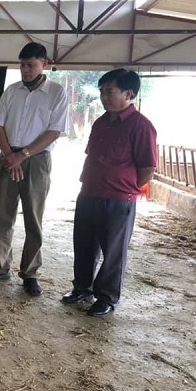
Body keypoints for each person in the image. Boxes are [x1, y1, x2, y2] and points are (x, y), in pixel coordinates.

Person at [62, 68, 157, 317]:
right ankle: (82, 287)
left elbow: (147, 168)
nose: (104, 97)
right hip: (89, 192)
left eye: (109, 92)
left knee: (113, 252)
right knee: (83, 245)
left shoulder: (141, 126)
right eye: (102, 92)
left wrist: (127, 189)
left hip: (118, 199)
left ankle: (106, 297)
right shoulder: (101, 122)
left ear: (128, 94)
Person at [0, 42, 69, 296]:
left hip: (37, 160)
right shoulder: (12, 91)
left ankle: (30, 272)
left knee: (33, 217)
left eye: (31, 65)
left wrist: (24, 155)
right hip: (8, 155)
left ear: (44, 64)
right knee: (2, 215)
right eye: (22, 65)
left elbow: (54, 132)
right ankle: (0, 266)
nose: (25, 70)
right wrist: (10, 156)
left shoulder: (56, 93)